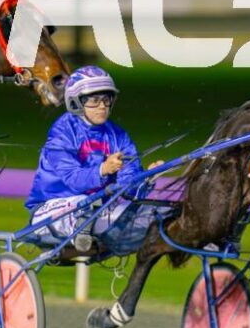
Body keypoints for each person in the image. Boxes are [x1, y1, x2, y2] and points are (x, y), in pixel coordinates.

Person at [25, 66, 162, 251]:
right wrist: (102, 170)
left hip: (97, 210)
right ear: (76, 102)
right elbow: (73, 179)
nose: (102, 106)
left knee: (153, 215)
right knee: (83, 204)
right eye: (94, 100)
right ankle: (82, 228)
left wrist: (145, 180)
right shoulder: (62, 131)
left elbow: (127, 190)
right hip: (50, 210)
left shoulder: (119, 136)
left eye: (106, 99)